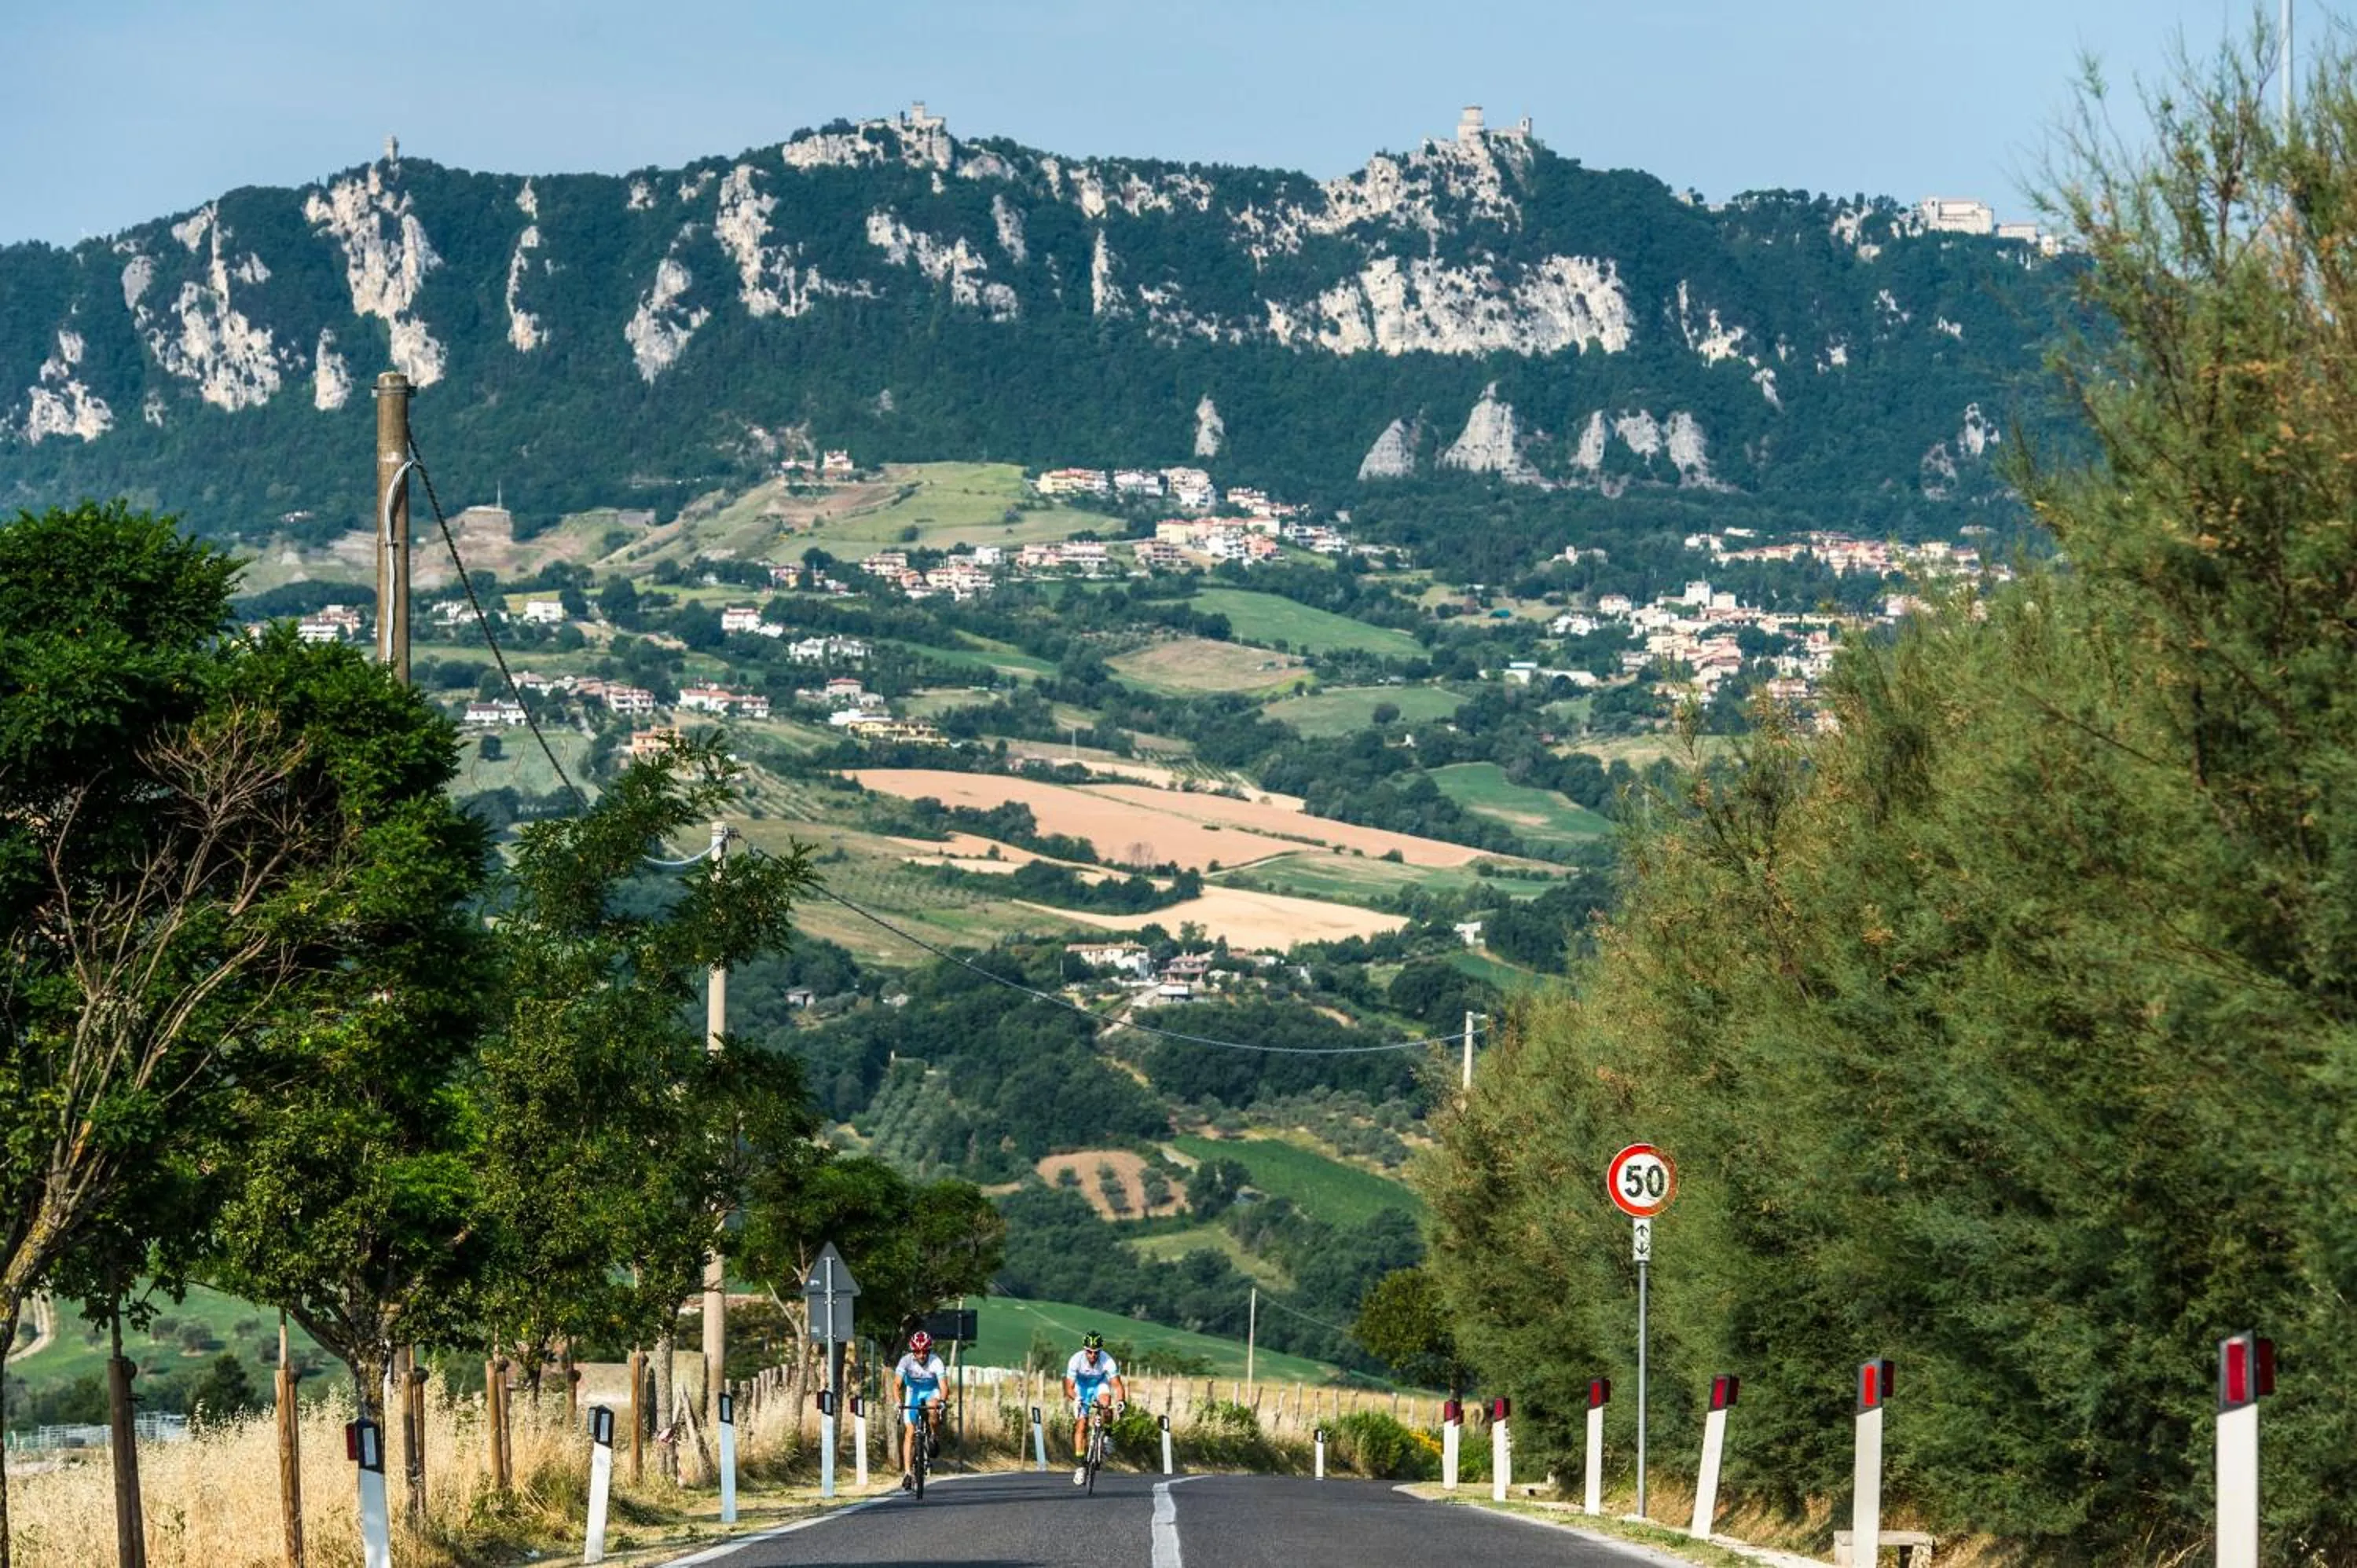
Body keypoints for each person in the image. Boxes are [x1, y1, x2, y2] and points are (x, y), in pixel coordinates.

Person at [1062, 1330, 1128, 1483]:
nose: (1093, 1356)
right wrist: (1076, 1399)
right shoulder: (1075, 1360)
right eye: (1090, 1352)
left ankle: (1108, 1436)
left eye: (1096, 1352)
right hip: (1081, 1388)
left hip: (1099, 1385)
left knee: (1106, 1406)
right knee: (1081, 1425)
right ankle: (1081, 1467)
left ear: (1100, 1351)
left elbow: (1117, 1385)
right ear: (1085, 1350)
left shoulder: (1107, 1361)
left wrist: (1121, 1402)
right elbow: (1069, 1388)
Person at [893, 1329, 947, 1489]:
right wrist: (897, 1401)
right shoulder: (905, 1361)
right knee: (910, 1432)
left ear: (929, 1351)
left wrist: (942, 1401)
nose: (921, 1355)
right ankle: (908, 1473)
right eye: (917, 1351)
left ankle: (934, 1436)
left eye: (924, 1351)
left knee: (932, 1408)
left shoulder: (936, 1361)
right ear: (912, 1351)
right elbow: (897, 1384)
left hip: (931, 1392)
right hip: (913, 1393)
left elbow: (943, 1386)